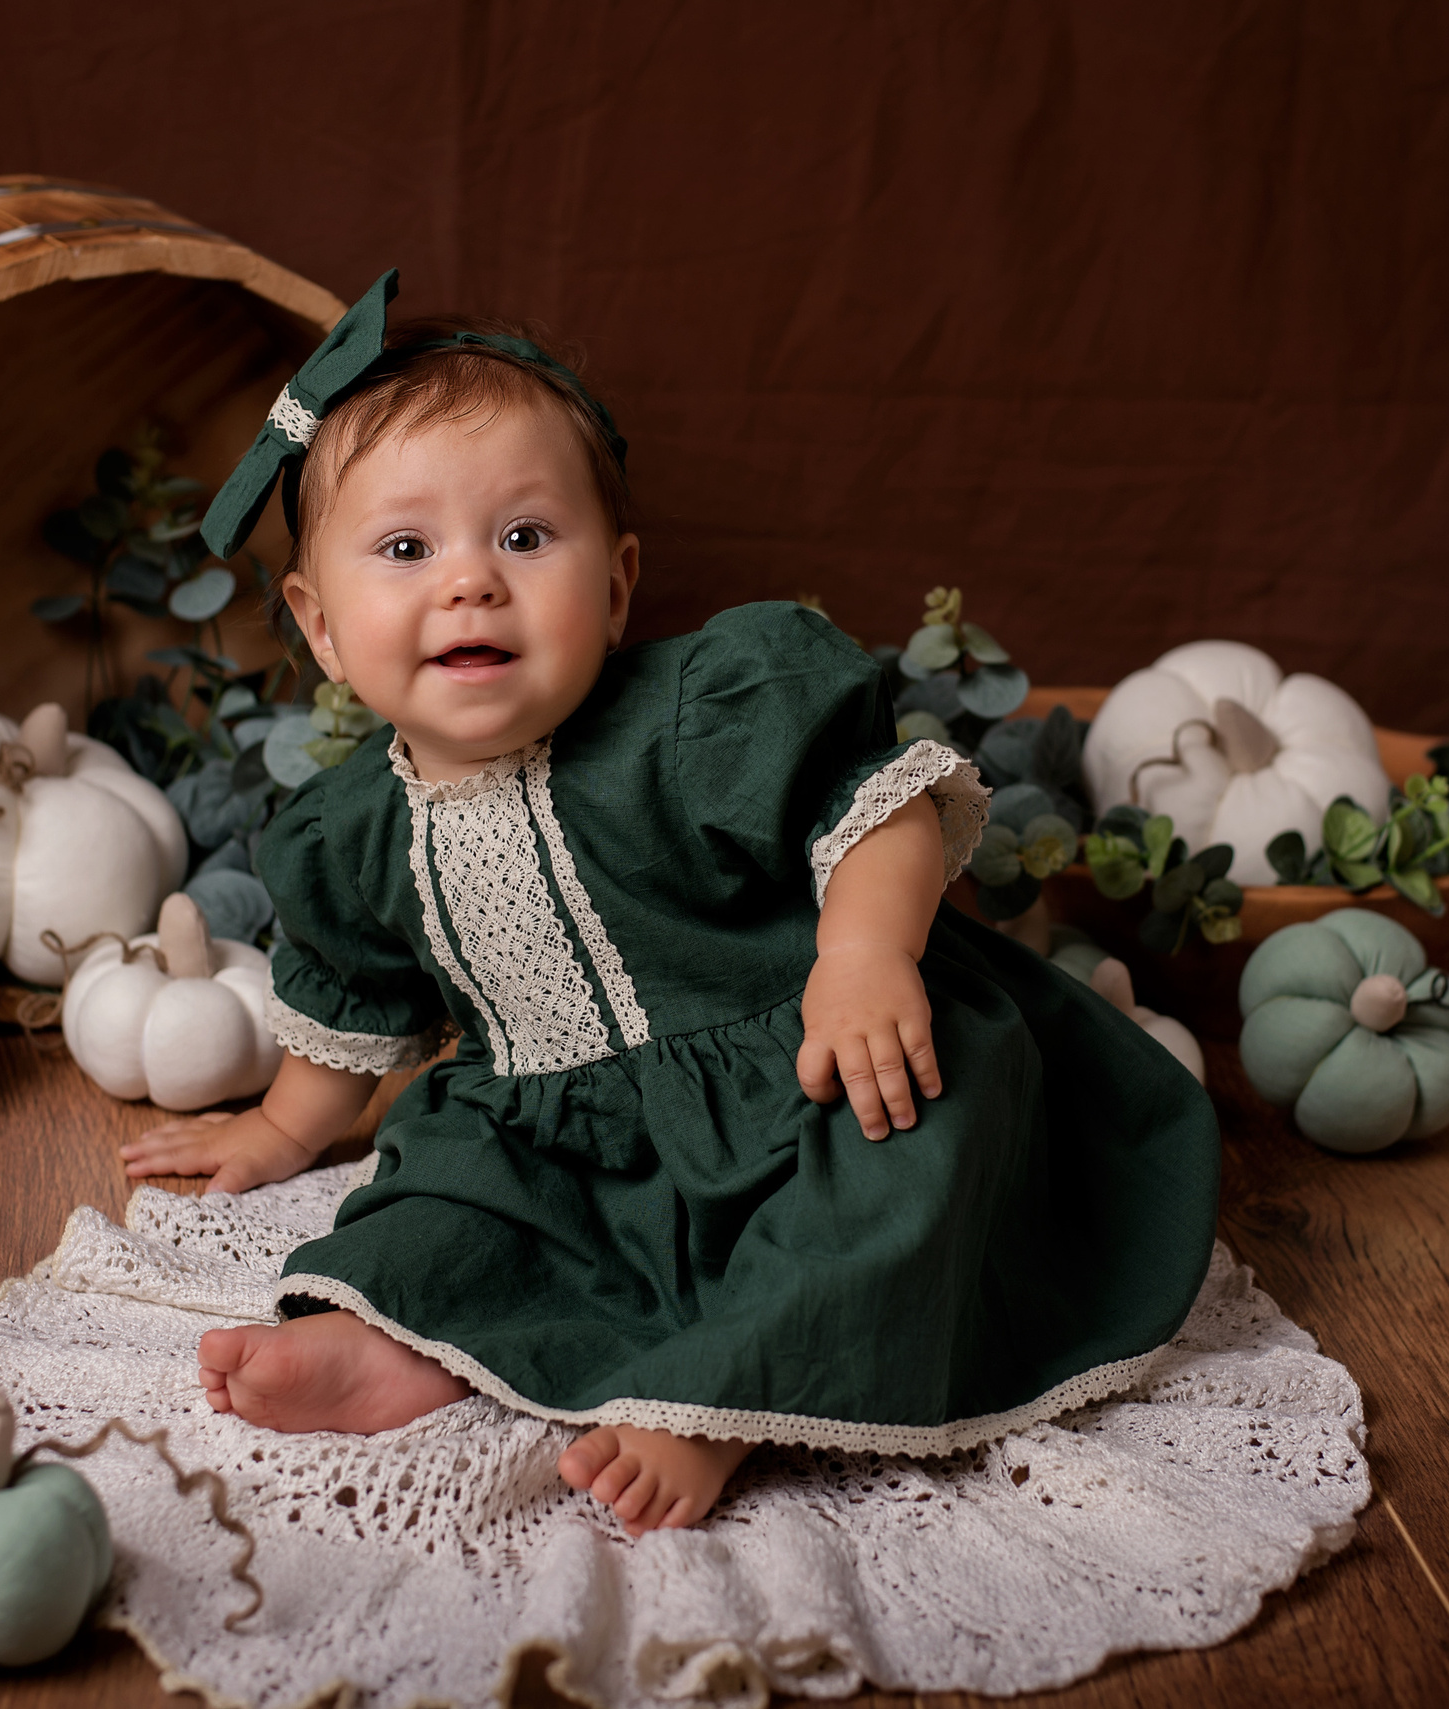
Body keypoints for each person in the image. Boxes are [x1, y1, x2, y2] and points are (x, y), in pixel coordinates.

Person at [121, 272, 1220, 1537]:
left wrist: (864, 954)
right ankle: (404, 1340)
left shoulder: (698, 712)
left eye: (524, 537)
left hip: (803, 1070)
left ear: (620, 581)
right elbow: (357, 1007)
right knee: (444, 1198)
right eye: (406, 548)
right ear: (319, 626)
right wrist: (277, 1132)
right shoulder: (347, 829)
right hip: (559, 1126)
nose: (471, 582)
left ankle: (728, 1395)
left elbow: (878, 805)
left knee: (904, 1161)